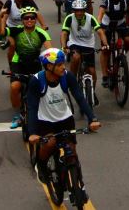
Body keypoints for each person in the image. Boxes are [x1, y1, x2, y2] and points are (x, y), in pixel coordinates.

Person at [26, 48, 101, 190]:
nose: (63, 67)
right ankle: (41, 165)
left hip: (65, 118)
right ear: (49, 66)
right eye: (59, 65)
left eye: (63, 64)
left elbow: (79, 97)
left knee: (72, 151)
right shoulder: (36, 81)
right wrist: (32, 133)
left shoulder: (67, 77)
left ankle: (78, 181)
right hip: (45, 121)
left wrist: (92, 118)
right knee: (49, 144)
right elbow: (32, 108)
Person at [0, 5, 51, 128]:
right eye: (26, 18)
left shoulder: (41, 33)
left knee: (40, 89)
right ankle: (17, 114)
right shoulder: (17, 30)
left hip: (35, 63)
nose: (29, 20)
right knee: (15, 87)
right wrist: (0, 16)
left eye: (32, 18)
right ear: (22, 20)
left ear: (35, 19)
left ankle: (42, 112)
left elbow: (49, 50)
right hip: (19, 62)